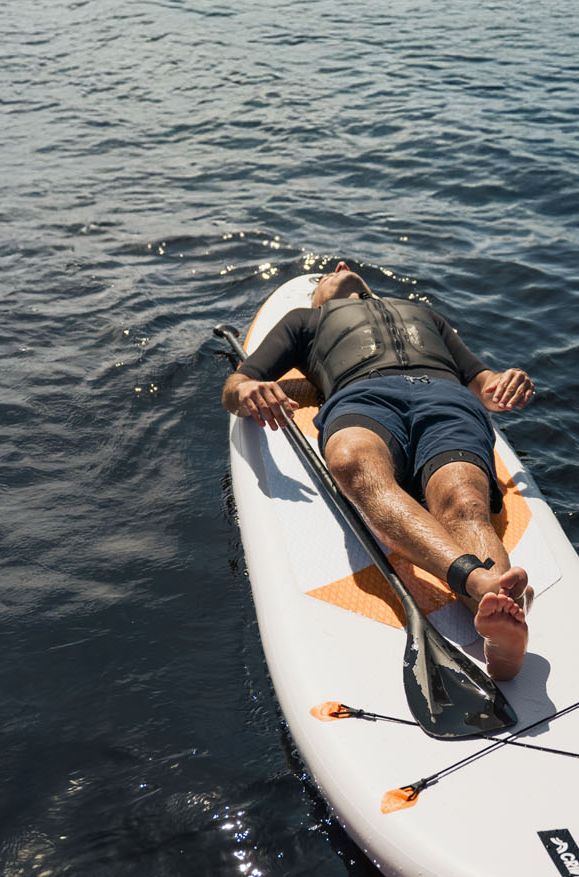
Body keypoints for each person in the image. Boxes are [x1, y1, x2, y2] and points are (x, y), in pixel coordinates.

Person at [222, 263, 537, 680]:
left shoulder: (425, 315)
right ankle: (483, 586)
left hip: (445, 399)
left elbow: (481, 382)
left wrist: (502, 385)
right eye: (327, 277)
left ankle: (499, 626)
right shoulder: (305, 320)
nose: (340, 267)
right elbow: (237, 385)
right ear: (317, 298)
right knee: (352, 461)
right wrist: (246, 390)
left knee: (465, 501)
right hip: (364, 398)